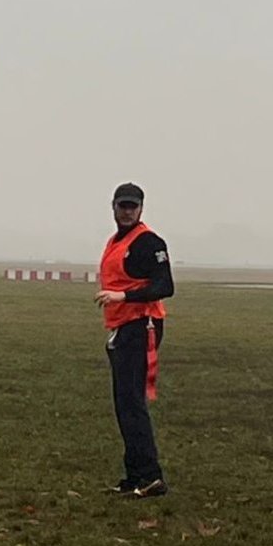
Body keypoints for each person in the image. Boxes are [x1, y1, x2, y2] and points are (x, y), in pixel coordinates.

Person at [95, 183, 174, 498]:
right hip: (122, 326)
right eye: (122, 206)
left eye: (132, 206)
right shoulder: (117, 241)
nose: (127, 211)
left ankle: (150, 476)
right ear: (113, 207)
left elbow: (165, 285)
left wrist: (122, 295)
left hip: (142, 326)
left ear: (141, 208)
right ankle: (135, 474)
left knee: (132, 403)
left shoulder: (148, 242)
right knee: (124, 403)